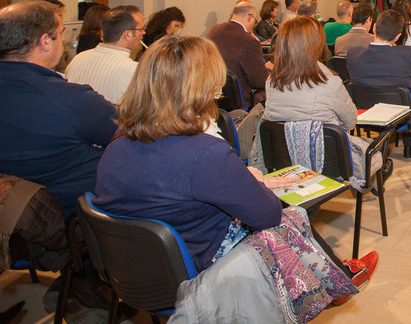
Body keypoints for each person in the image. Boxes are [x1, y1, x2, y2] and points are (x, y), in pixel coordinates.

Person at [93, 35, 378, 318]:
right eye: (214, 93)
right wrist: (251, 181)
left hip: (131, 275)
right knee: (289, 214)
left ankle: (337, 276)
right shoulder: (205, 154)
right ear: (199, 93)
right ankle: (335, 280)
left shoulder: (115, 148)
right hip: (198, 278)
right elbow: (266, 216)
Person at [0, 0, 117, 215]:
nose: (64, 40)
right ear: (45, 42)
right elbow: (129, 133)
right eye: (60, 33)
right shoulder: (72, 100)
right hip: (66, 223)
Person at [265, 17, 384, 184]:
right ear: (316, 45)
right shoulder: (330, 83)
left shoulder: (271, 82)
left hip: (284, 163)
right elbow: (351, 122)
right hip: (329, 164)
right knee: (374, 150)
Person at [65, 5, 145, 105]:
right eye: (141, 29)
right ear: (128, 34)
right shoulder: (134, 71)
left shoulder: (77, 59)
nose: (144, 33)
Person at [347, 10, 411, 102]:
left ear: (374, 28)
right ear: (397, 36)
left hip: (364, 111)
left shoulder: (353, 55)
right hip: (400, 112)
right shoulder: (404, 54)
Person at [206, 1, 274, 105]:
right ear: (250, 17)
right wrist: (269, 70)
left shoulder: (214, 30)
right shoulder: (249, 41)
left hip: (217, 94)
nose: (253, 26)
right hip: (243, 97)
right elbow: (260, 80)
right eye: (255, 22)